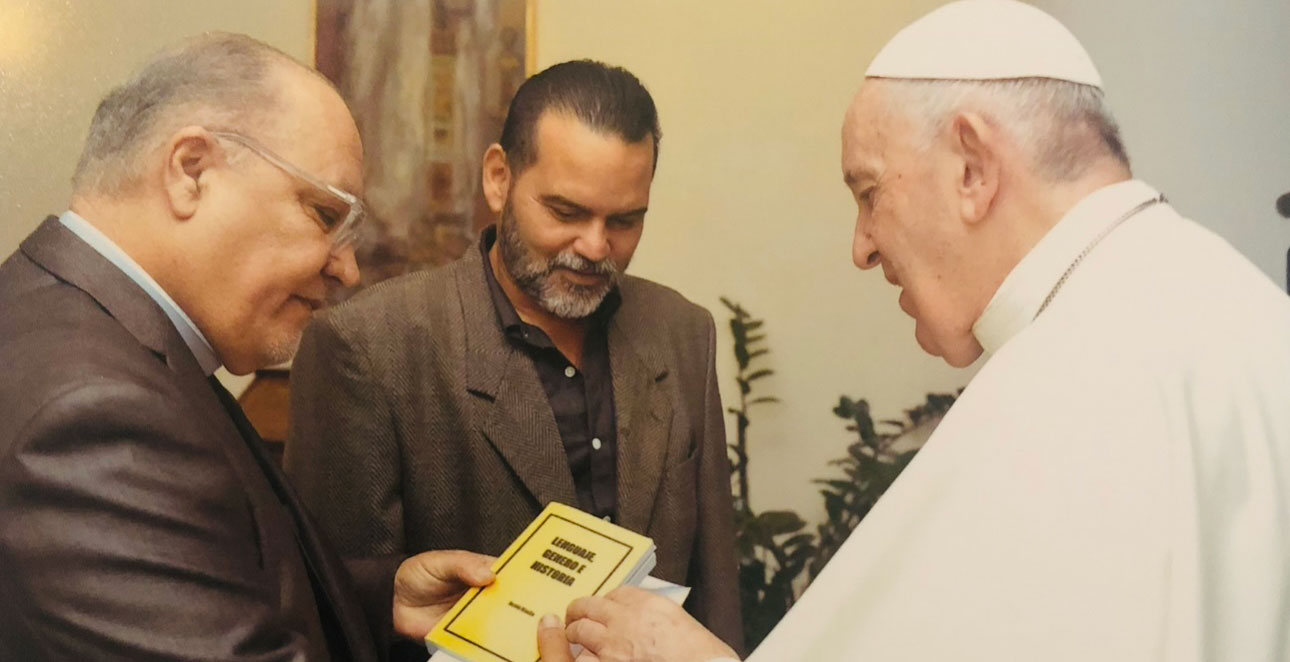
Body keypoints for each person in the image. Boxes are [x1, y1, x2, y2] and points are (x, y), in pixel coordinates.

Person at [536, 1, 1290, 660]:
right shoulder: (1232, 305)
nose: (861, 247)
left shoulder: (1086, 379)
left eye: (869, 192)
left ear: (972, 167)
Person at [0, 33, 495, 661]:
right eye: (323, 215)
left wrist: (379, 600)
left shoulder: (104, 336)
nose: (346, 269)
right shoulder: (94, 411)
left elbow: (211, 565)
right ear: (191, 172)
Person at [285, 59, 744, 655]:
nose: (596, 247)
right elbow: (334, 609)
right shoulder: (368, 347)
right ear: (499, 178)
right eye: (566, 212)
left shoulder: (684, 332)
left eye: (625, 221)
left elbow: (715, 587)